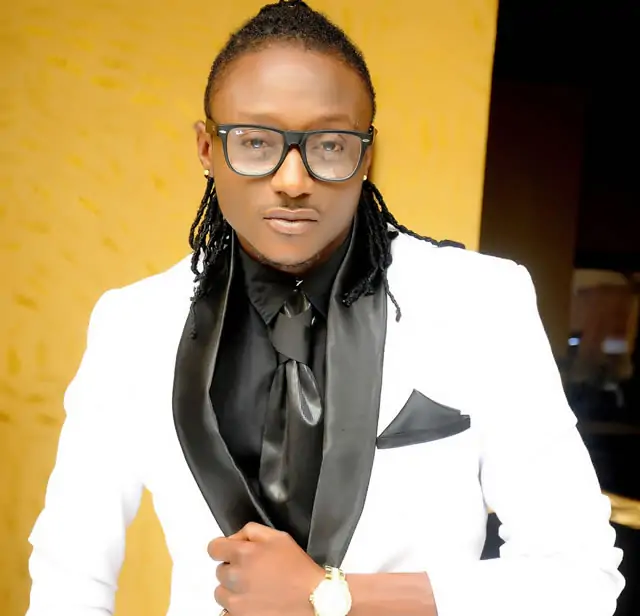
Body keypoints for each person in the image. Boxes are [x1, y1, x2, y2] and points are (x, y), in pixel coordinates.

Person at [26, 1, 624, 615]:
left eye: (331, 144)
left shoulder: (479, 301)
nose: (292, 180)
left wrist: (331, 597)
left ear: (367, 155)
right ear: (206, 148)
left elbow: (581, 579)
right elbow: (69, 578)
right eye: (254, 142)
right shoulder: (132, 324)